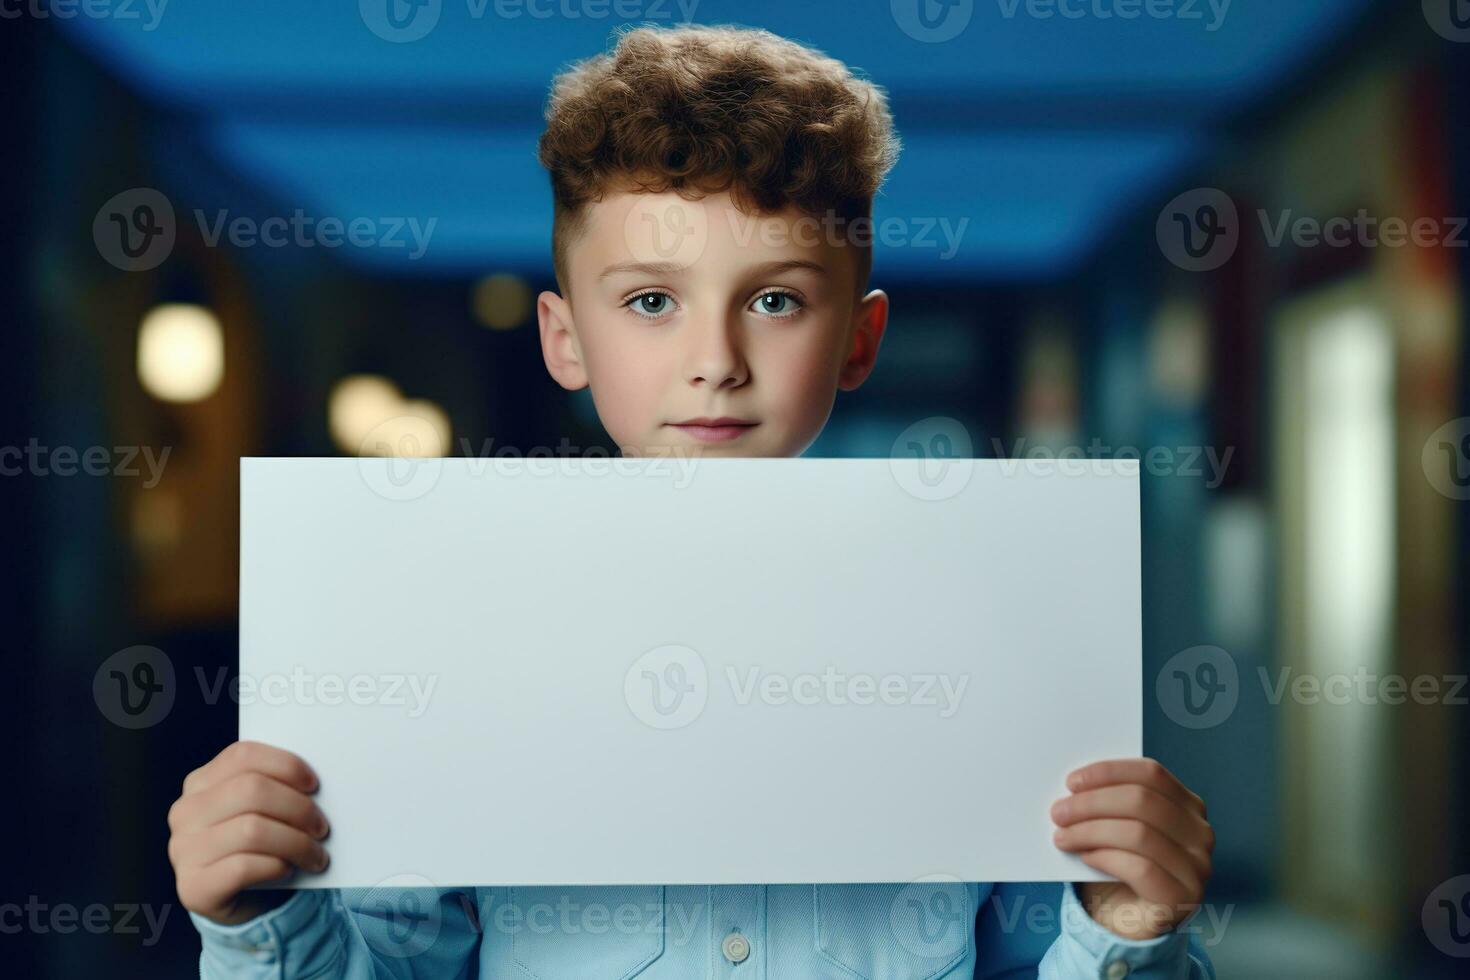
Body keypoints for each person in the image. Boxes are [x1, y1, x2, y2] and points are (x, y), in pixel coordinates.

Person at [170, 24, 1216, 979]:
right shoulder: (451, 627)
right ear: (564, 337)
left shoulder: (990, 633)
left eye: (775, 299)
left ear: (859, 336)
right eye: (651, 301)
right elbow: (394, 962)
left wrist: (1125, 926)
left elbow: (1045, 945)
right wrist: (261, 910)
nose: (714, 361)